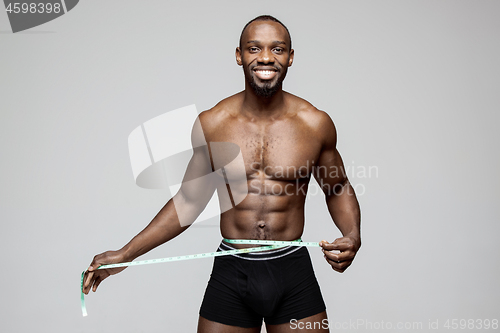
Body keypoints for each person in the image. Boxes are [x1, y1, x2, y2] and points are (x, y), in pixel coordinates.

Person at [82, 15, 361, 333]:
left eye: (277, 49)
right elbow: (189, 201)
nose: (266, 57)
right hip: (232, 271)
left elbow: (336, 187)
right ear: (239, 55)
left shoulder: (314, 124)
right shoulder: (213, 123)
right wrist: (125, 253)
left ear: (290, 57)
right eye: (254, 48)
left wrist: (352, 234)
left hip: (291, 270)